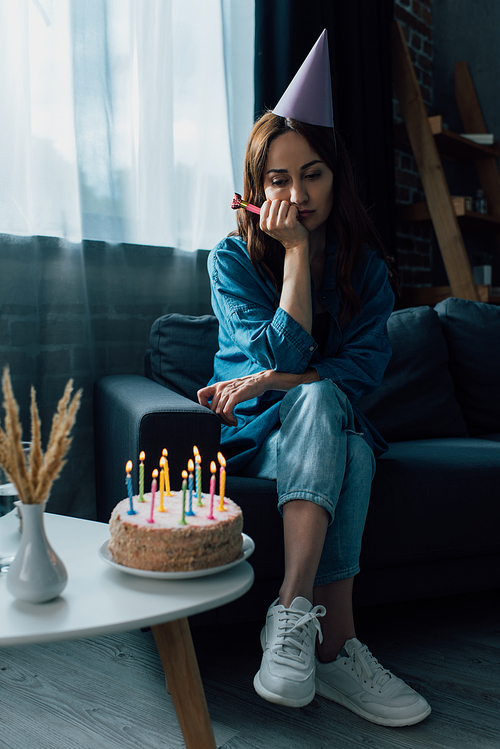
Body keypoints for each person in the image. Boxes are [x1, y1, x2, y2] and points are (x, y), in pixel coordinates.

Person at [197, 31, 431, 727]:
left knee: (340, 421)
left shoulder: (369, 274)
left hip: (317, 424)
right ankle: (334, 646)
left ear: (338, 177)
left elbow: (356, 377)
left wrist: (271, 379)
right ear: (256, 188)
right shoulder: (230, 262)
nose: (296, 194)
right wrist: (295, 258)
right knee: (337, 423)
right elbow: (275, 345)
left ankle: (295, 616)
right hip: (258, 440)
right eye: (278, 179)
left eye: (313, 174)